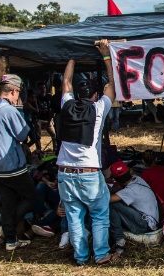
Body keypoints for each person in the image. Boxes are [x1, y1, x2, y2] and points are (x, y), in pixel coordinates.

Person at [56, 39, 117, 266]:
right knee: (100, 215)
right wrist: (106, 55)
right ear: (95, 95)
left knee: (74, 217)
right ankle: (100, 255)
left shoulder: (67, 106)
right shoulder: (99, 108)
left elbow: (65, 82)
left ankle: (80, 257)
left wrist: (72, 56)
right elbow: (113, 85)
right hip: (89, 173)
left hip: (65, 172)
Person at [0, 74, 35, 251]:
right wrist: (21, 113)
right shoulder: (8, 111)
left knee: (8, 202)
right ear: (15, 91)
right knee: (31, 197)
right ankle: (6, 229)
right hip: (12, 166)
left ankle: (11, 240)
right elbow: (23, 135)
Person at [108, 161, 160, 255]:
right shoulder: (137, 179)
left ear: (116, 179)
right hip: (153, 220)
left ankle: (119, 241)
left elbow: (108, 200)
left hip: (145, 224)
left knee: (113, 205)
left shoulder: (130, 191)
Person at [36, 81, 58, 153]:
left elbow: (52, 108)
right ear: (38, 89)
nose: (43, 90)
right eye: (41, 88)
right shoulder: (36, 98)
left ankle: (55, 150)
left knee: (54, 135)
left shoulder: (49, 97)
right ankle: (39, 151)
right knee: (38, 137)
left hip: (47, 119)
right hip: (39, 119)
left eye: (44, 88)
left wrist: (50, 119)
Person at [50, 76, 63, 154]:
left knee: (59, 136)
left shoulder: (55, 97)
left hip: (59, 116)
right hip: (64, 116)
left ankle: (59, 151)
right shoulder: (65, 95)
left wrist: (49, 120)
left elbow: (52, 111)